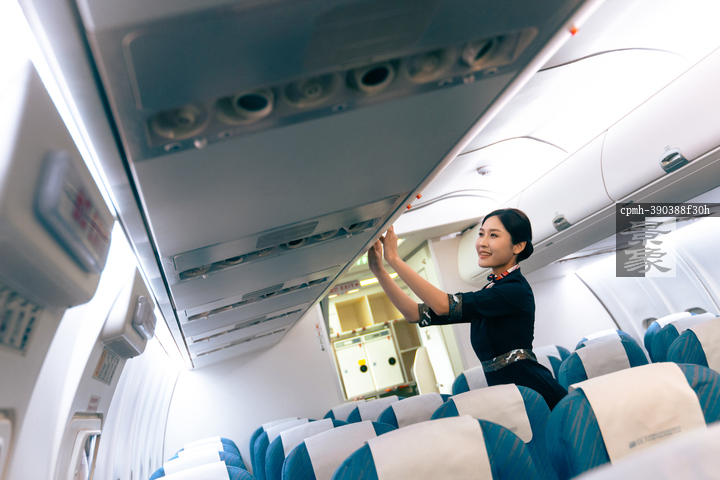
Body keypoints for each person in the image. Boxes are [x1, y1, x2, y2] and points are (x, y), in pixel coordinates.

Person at [367, 208, 567, 409]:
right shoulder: (492, 290)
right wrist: (379, 271)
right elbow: (415, 314)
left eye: (493, 235)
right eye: (481, 234)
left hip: (539, 395)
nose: (482, 242)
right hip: (513, 397)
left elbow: (442, 305)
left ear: (518, 246)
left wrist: (394, 258)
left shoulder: (514, 290)